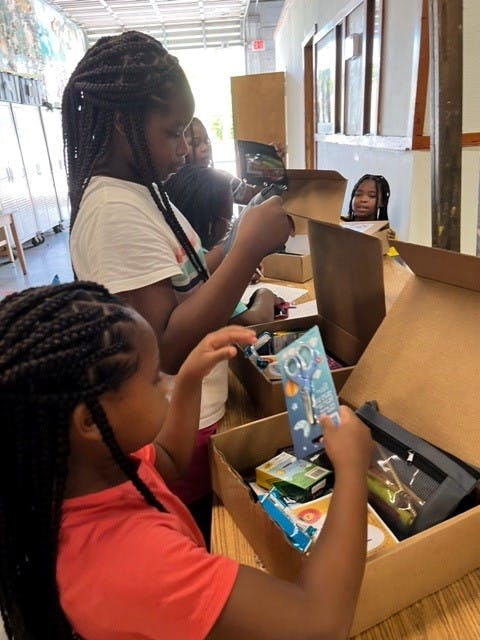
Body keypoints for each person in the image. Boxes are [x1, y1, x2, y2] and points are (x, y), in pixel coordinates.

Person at [0, 281, 373, 640]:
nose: (168, 384)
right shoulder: (133, 563)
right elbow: (320, 624)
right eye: (153, 380)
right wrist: (352, 467)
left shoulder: (90, 472)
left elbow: (167, 461)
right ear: (89, 422)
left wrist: (191, 377)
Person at [65, 31, 292, 537]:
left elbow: (187, 279)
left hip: (197, 415)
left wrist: (236, 238)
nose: (184, 149)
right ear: (123, 124)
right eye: (172, 133)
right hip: (177, 429)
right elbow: (164, 344)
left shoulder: (141, 195)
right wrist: (249, 248)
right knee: (201, 534)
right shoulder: (113, 213)